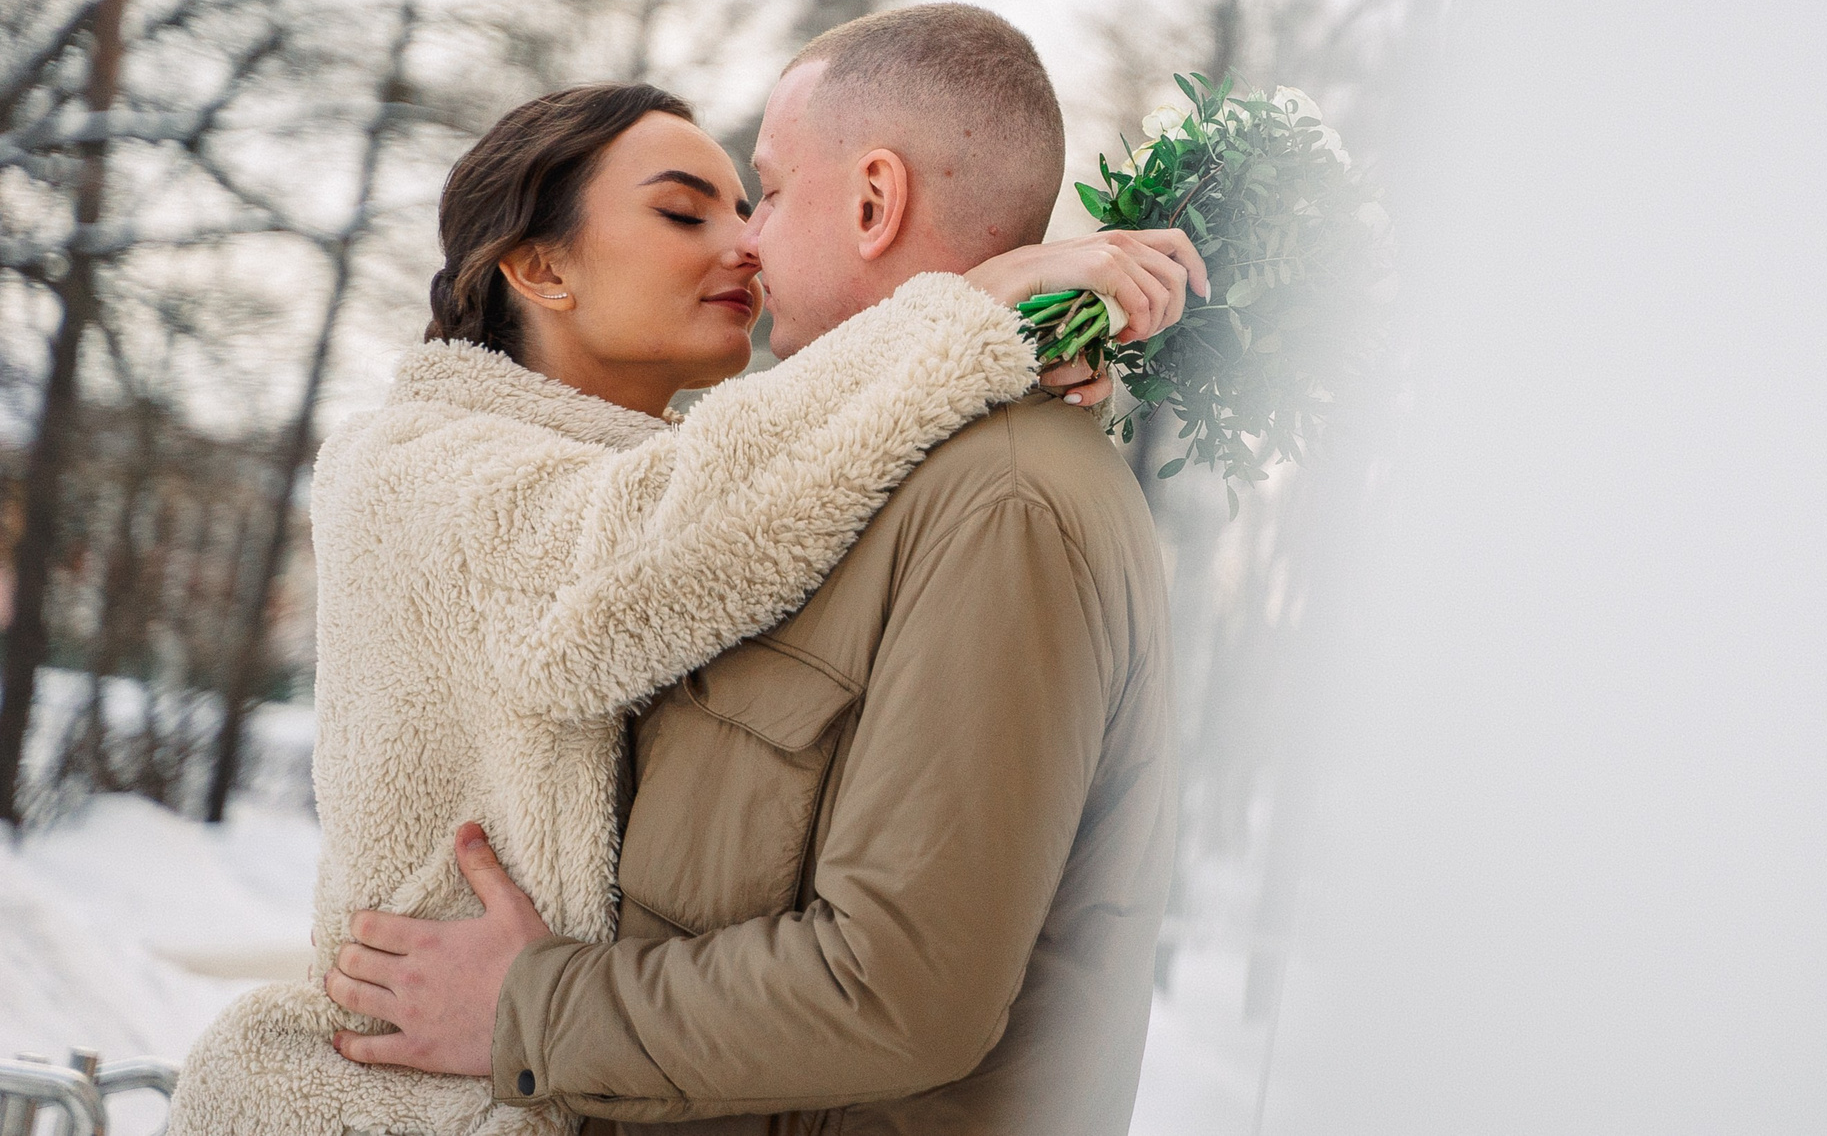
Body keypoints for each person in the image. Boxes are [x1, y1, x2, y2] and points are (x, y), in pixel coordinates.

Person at [169, 55, 1201, 1136]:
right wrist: (967, 328)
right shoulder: (409, 464)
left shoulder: (828, 495)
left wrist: (994, 363)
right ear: (540, 267)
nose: (743, 244)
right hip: (409, 1096)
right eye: (683, 212)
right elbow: (634, 555)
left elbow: (738, 484)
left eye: (758, 199)